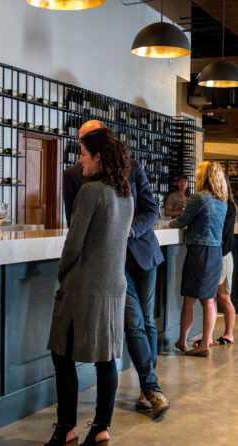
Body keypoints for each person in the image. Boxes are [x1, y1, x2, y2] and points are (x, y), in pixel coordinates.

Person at [62, 120, 169, 420]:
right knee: (133, 322)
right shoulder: (74, 175)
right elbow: (76, 223)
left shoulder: (133, 166)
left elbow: (151, 208)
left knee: (147, 322)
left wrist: (130, 229)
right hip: (111, 262)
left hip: (144, 253)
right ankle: (152, 388)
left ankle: (146, 388)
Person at [39, 127, 134, 446]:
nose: (80, 162)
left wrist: (63, 274)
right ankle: (100, 430)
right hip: (113, 287)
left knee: (62, 355)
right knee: (106, 360)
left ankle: (65, 431)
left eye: (83, 154)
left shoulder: (92, 192)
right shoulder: (126, 195)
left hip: (83, 287)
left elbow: (73, 243)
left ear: (98, 156)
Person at [169, 161, 228, 356]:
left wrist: (171, 222)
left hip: (199, 252)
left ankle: (184, 340)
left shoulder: (199, 198)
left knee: (190, 298)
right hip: (215, 252)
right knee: (209, 300)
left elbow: (181, 222)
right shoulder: (222, 200)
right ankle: (204, 342)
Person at [214, 182, 237, 346]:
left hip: (223, 255)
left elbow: (221, 231)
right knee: (213, 298)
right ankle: (210, 334)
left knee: (223, 296)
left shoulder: (228, 205)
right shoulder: (224, 204)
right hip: (219, 255)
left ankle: (229, 333)